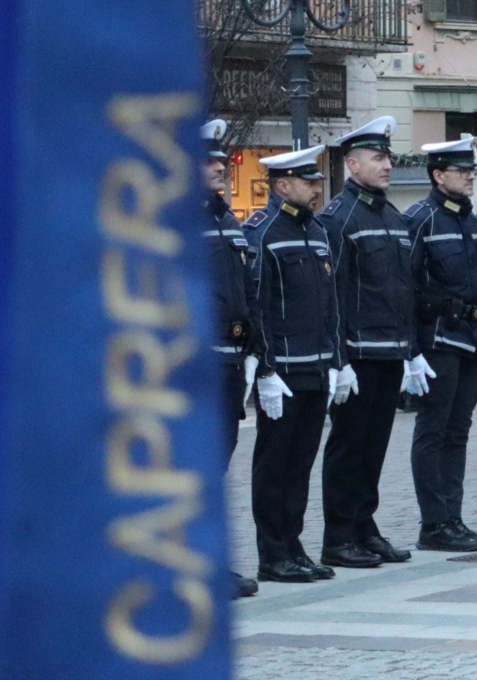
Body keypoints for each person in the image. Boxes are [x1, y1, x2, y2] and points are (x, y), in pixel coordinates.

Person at [318, 116, 417, 569]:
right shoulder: (338, 219)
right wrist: (339, 359)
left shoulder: (393, 217)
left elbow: (401, 289)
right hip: (357, 354)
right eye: (378, 158)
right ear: (352, 164)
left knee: (374, 445)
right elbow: (333, 294)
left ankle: (364, 525)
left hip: (389, 350)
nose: (387, 166)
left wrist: (410, 350)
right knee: (348, 446)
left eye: (389, 158)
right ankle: (339, 535)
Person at [405, 137, 477, 551]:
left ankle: (453, 518)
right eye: (462, 172)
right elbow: (407, 288)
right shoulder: (421, 219)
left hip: (472, 340)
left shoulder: (469, 220)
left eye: (472, 172)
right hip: (439, 341)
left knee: (458, 432)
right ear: (438, 174)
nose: (469, 178)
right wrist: (411, 352)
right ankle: (434, 524)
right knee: (434, 431)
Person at [249, 145, 340, 582]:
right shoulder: (264, 232)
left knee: (301, 463)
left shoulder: (317, 231)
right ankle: (272, 553)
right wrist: (265, 369)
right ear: (283, 186)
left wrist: (337, 360)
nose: (317, 188)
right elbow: (258, 306)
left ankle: (294, 544)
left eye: (318, 181)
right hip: (283, 371)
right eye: (309, 182)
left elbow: (330, 304)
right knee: (275, 466)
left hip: (316, 366)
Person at [199, 119, 260, 598]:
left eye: (221, 160)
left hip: (231, 362)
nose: (221, 167)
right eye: (209, 161)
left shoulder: (225, 219)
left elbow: (245, 291)